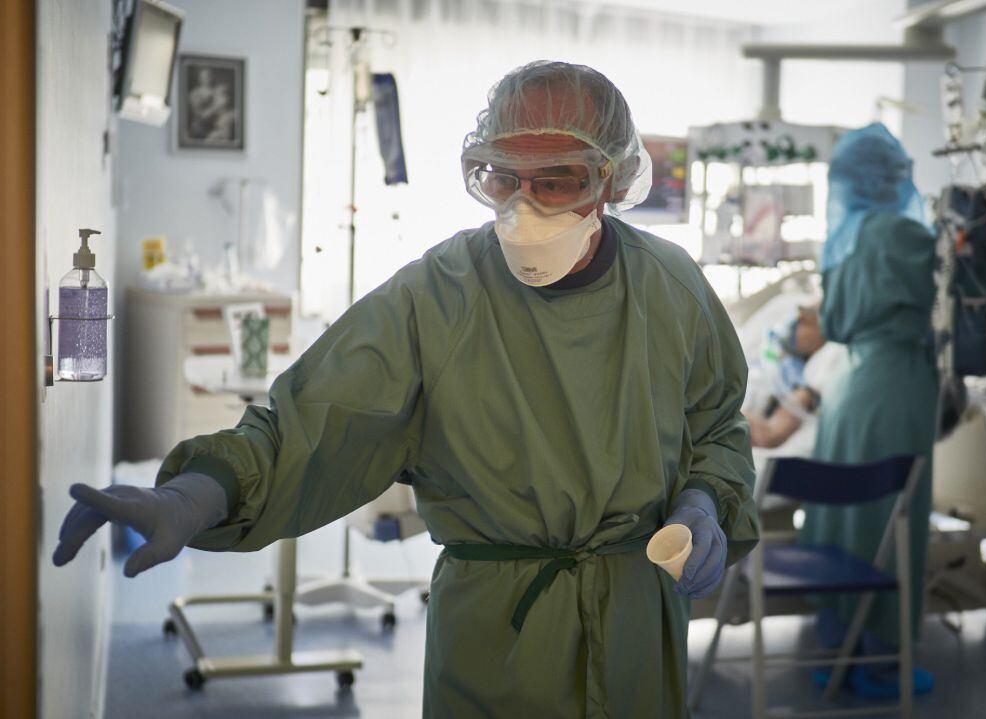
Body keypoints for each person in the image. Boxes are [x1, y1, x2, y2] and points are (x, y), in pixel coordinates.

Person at [53, 61, 759, 718]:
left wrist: (705, 500)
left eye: (556, 180)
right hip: (498, 642)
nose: (524, 206)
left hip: (638, 627)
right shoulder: (440, 295)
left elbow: (717, 426)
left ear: (612, 177)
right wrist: (192, 494)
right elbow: (312, 421)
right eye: (501, 177)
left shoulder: (671, 288)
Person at [799, 123, 938, 698]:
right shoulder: (904, 234)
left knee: (844, 519)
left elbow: (830, 326)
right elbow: (963, 282)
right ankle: (883, 662)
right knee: (891, 519)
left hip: (849, 387)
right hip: (896, 386)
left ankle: (841, 649)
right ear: (892, 176)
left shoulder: (843, 236)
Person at [746, 306, 848, 453]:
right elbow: (769, 435)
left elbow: (769, 435)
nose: (803, 317)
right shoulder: (791, 364)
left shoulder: (814, 368)